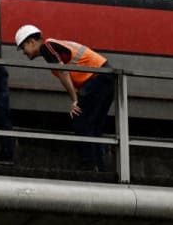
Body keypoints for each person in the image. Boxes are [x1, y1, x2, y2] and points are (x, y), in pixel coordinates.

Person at [15, 24, 113, 172]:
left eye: (23, 47)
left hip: (98, 78)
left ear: (31, 42)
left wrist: (74, 101)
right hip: (105, 77)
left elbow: (63, 72)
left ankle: (88, 165)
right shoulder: (53, 46)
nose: (24, 52)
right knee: (94, 127)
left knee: (80, 120)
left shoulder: (46, 47)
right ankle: (100, 167)